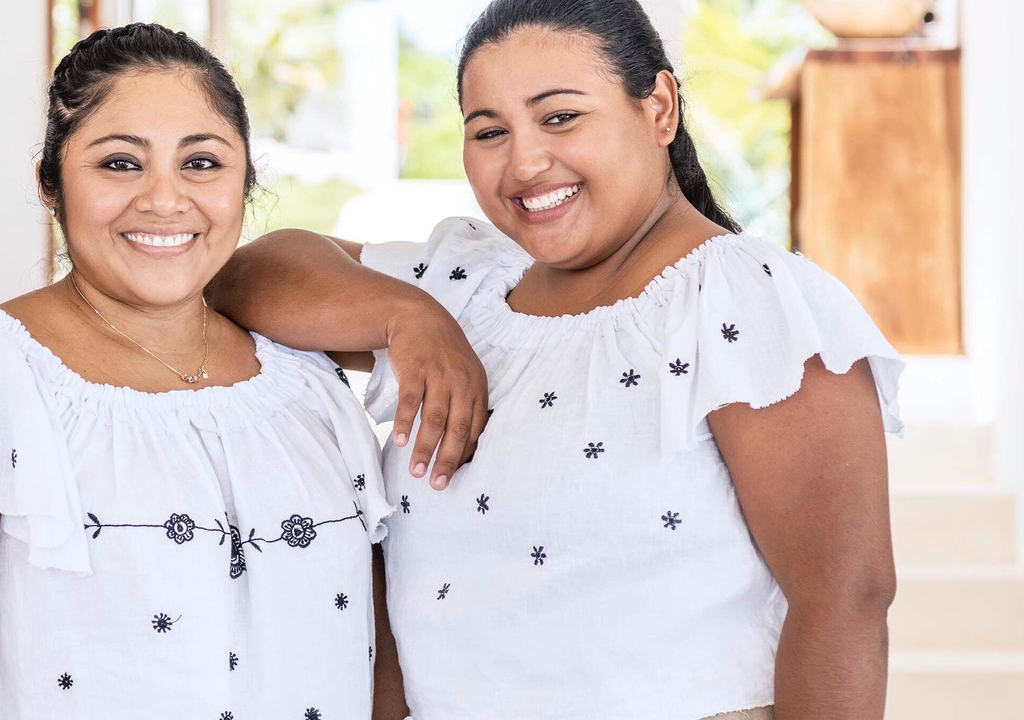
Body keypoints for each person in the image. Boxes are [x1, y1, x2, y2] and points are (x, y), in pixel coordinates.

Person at [209, 1, 904, 718]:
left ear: (659, 107)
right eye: (489, 132)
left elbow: (845, 598)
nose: (526, 161)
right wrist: (407, 316)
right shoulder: (465, 287)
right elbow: (248, 273)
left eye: (561, 116)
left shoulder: (739, 301)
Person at [0, 23, 485, 719]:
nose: (163, 199)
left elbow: (379, 654)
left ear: (246, 183)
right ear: (50, 182)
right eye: (120, 163)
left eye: (202, 163)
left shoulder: (304, 382)